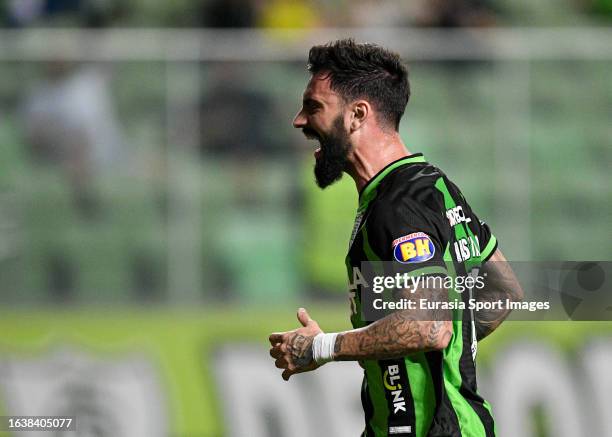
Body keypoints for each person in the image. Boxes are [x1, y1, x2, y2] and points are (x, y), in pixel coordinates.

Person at [268, 39, 523, 437]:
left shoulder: (397, 206)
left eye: (314, 107)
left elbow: (428, 326)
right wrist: (449, 347)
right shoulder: (435, 186)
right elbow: (505, 292)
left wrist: (322, 347)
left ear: (357, 115)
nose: (299, 120)